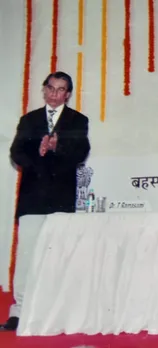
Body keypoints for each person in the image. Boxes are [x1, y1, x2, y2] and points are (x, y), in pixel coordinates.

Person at [0, 71, 90, 331]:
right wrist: (38, 156)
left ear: (68, 94)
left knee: (59, 255)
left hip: (61, 199)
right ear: (44, 89)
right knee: (26, 255)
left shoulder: (77, 120)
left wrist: (55, 149)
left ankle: (54, 310)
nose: (54, 94)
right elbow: (16, 152)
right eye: (50, 88)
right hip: (32, 197)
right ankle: (19, 310)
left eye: (60, 89)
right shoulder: (29, 120)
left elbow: (80, 152)